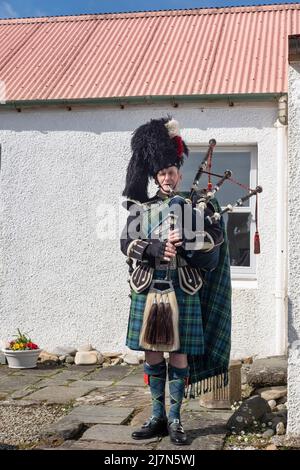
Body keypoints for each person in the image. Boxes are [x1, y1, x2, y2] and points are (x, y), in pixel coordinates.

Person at [120, 117, 231, 446]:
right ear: (156, 176)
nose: (168, 177)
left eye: (172, 172)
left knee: (179, 354)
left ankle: (176, 420)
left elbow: (216, 242)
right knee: (153, 354)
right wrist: (153, 248)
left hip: (184, 287)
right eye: (162, 173)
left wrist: (191, 239)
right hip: (150, 286)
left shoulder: (197, 206)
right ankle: (156, 417)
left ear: (180, 174)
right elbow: (125, 243)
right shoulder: (142, 209)